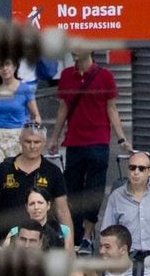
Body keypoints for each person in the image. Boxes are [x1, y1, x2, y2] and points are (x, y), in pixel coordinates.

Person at [51, 44, 129, 245]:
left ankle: (87, 236)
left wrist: (121, 138)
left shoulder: (105, 76)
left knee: (94, 191)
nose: (74, 50)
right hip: (74, 142)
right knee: (71, 191)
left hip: (98, 142)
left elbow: (112, 109)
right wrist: (54, 138)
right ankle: (74, 236)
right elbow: (63, 108)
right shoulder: (67, 75)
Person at [0, 119, 66, 239]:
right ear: (20, 141)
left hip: (41, 239)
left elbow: (62, 210)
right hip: (6, 238)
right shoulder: (4, 169)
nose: (32, 146)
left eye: (37, 142)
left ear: (44, 143)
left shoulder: (53, 171)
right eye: (28, 141)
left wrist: (69, 243)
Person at [99, 147, 150, 265]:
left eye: (141, 168)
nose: (136, 172)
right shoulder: (116, 196)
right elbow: (107, 232)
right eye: (132, 167)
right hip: (125, 258)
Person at [0, 59, 39, 179]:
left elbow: (36, 116)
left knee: (18, 179)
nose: (5, 69)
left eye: (7, 64)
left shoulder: (25, 89)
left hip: (17, 137)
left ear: (15, 66)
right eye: (0, 66)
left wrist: (32, 137)